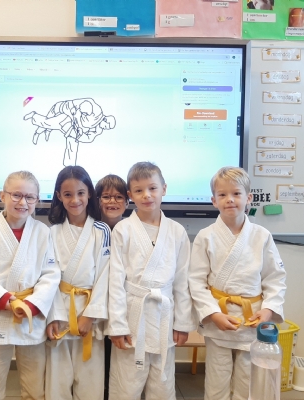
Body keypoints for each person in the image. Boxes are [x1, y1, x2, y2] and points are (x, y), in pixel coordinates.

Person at [189, 166, 286, 400]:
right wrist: (213, 314)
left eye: (236, 193)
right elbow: (196, 281)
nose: (230, 199)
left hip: (251, 320)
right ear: (213, 201)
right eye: (222, 195)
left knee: (247, 382)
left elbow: (275, 277)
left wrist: (268, 310)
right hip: (219, 319)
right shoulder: (205, 236)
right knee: (217, 381)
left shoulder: (261, 235)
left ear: (248, 198)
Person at [0, 171, 60, 400]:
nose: (22, 202)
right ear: (2, 196)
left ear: (37, 200)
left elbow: (50, 274)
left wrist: (32, 304)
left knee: (34, 386)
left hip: (30, 316)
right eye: (16, 195)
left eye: (30, 197)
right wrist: (7, 301)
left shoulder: (43, 232)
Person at [107, 162, 195, 400]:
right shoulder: (123, 230)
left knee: (162, 385)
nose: (146, 195)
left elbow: (182, 281)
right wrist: (117, 326)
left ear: (164, 189)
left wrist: (182, 323)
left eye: (152, 188)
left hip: (164, 316)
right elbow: (115, 282)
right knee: (126, 386)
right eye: (139, 190)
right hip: (132, 315)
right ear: (130, 195)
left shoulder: (177, 231)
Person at [45, 165, 111, 400]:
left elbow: (105, 275)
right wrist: (53, 316)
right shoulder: (51, 232)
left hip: (88, 312)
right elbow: (48, 277)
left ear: (89, 193)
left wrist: (90, 316)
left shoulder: (101, 230)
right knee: (58, 380)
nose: (75, 200)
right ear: (59, 196)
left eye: (81, 193)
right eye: (68, 194)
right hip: (60, 311)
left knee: (90, 379)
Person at [95, 174, 129, 400]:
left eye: (118, 197)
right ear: (97, 200)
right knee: (98, 359)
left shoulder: (132, 229)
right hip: (94, 304)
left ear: (127, 201)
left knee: (121, 357)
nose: (112, 202)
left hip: (124, 304)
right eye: (106, 196)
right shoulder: (91, 229)